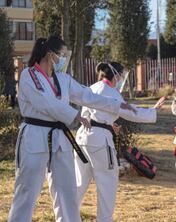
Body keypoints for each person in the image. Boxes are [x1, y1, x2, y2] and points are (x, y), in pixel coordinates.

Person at [8, 36, 135, 222]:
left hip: (60, 139)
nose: (64, 59)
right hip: (35, 136)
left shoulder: (62, 78)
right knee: (27, 190)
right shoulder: (29, 75)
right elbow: (46, 104)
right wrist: (75, 115)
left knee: (67, 192)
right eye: (62, 55)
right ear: (50, 55)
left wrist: (116, 105)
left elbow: (87, 95)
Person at [74, 62, 165, 221]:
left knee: (79, 182)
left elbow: (91, 114)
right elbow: (129, 112)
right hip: (100, 141)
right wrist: (153, 111)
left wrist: (108, 123)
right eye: (122, 76)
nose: (122, 79)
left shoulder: (93, 87)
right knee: (107, 184)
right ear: (116, 75)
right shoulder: (111, 92)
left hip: (82, 138)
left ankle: (67, 216)